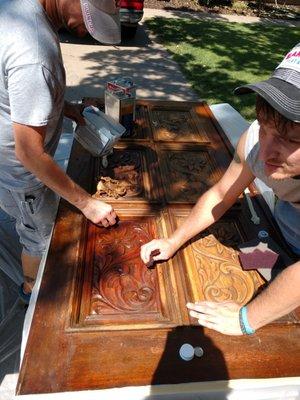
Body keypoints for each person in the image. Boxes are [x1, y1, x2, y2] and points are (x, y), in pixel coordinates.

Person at [141, 43, 300, 336]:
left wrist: (244, 319)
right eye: (265, 126)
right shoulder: (255, 141)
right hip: (283, 236)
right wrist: (174, 240)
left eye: (290, 139)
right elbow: (220, 194)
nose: (266, 151)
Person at [0, 0, 121, 302]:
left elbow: (17, 91)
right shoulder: (35, 51)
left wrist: (64, 108)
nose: (87, 31)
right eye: (89, 17)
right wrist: (87, 203)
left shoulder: (19, 10)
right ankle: (33, 297)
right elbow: (29, 153)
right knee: (40, 239)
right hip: (20, 174)